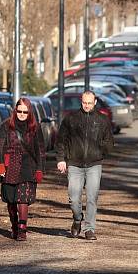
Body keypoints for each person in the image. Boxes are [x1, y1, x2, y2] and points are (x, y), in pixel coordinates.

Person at [56, 91, 115, 240]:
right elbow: (61, 140)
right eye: (84, 102)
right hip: (74, 164)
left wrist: (101, 152)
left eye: (89, 102)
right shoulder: (71, 119)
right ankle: (77, 219)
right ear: (80, 102)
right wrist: (61, 159)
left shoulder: (102, 120)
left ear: (95, 102)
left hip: (94, 164)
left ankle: (89, 229)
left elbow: (109, 141)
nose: (87, 105)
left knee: (91, 198)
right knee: (74, 198)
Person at [0, 98, 45, 241]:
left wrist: (40, 169)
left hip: (28, 166)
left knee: (23, 198)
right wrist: (0, 164)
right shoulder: (6, 125)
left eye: (25, 111)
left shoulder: (35, 127)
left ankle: (22, 229)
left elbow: (40, 150)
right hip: (10, 165)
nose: (22, 114)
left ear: (29, 112)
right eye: (19, 111)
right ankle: (15, 226)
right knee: (11, 200)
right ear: (15, 110)